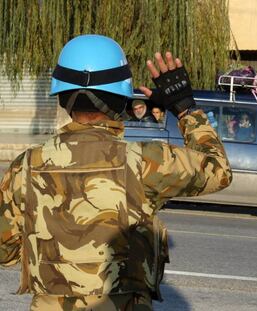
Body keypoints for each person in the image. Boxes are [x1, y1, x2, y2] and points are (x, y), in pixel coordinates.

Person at [0, 34, 232, 310]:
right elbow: (218, 170)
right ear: (123, 100)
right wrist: (184, 108)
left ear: (62, 98)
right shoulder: (145, 160)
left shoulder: (25, 166)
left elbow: (5, 251)